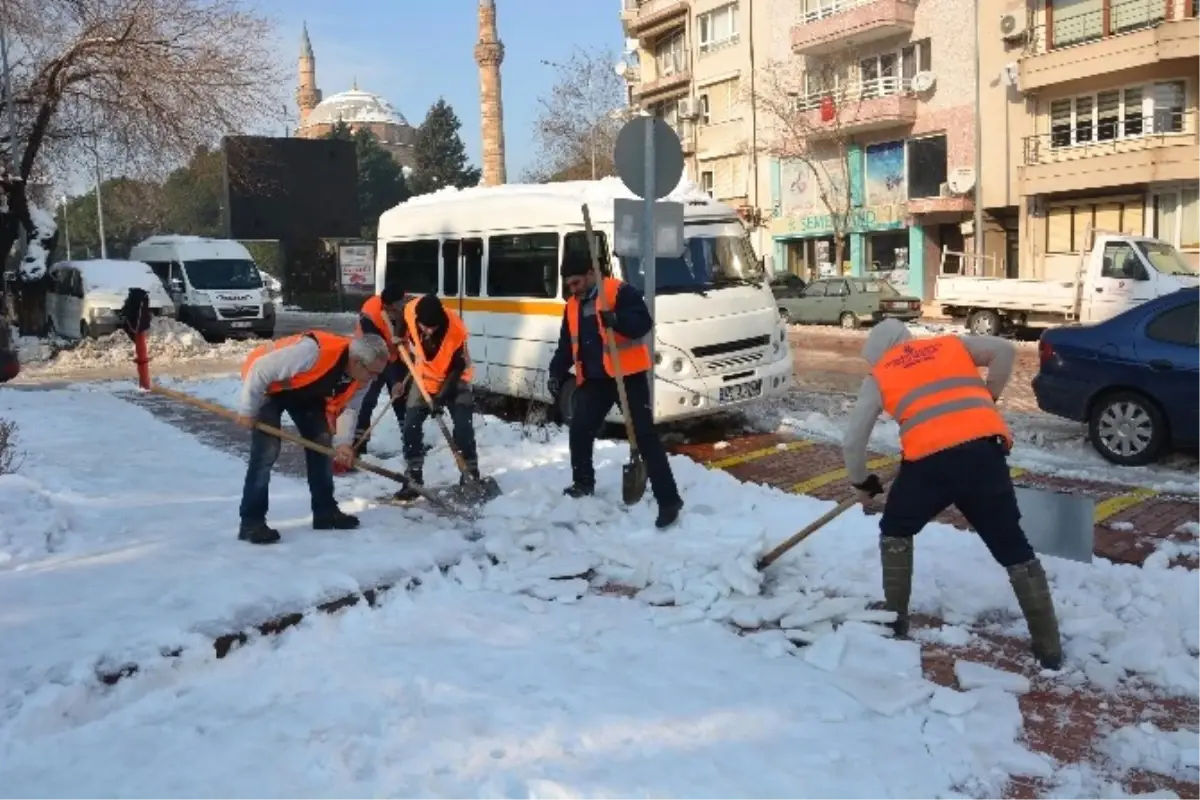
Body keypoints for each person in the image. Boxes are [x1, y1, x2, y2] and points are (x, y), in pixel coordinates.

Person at [842, 318, 1063, 670]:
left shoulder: (881, 374)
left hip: (929, 467)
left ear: (877, 352)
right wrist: (989, 397)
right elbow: (1005, 351)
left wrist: (861, 483)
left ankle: (895, 619)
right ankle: (1049, 647)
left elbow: (853, 440)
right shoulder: (950, 345)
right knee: (1012, 546)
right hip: (984, 456)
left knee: (896, 529)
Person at [548, 254, 683, 530]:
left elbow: (643, 322)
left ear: (590, 274)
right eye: (569, 285)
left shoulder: (619, 292)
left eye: (576, 282)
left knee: (645, 437)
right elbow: (566, 345)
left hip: (627, 376)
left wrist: (618, 319)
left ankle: (669, 500)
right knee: (580, 430)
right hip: (595, 381)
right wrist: (555, 372)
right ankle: (583, 482)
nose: (572, 289)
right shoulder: (572, 306)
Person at [236, 331, 390, 545]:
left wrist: (343, 444)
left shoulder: (363, 377)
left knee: (322, 442)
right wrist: (247, 411)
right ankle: (251, 522)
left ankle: (325, 512)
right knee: (267, 451)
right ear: (356, 362)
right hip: (267, 385)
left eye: (378, 373)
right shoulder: (312, 352)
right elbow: (260, 369)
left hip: (302, 391)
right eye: (372, 373)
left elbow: (349, 409)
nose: (375, 379)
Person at [392, 294, 479, 501]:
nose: (429, 331)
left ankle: (471, 475)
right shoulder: (412, 309)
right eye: (425, 327)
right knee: (410, 426)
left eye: (434, 328)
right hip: (424, 378)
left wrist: (439, 399)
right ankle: (413, 477)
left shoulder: (456, 330)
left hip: (456, 380)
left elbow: (457, 367)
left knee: (463, 427)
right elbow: (403, 313)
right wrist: (398, 335)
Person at [352, 286, 411, 455]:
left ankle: (411, 441)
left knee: (400, 399)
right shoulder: (370, 314)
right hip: (371, 357)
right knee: (368, 400)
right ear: (386, 305)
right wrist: (395, 378)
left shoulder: (407, 308)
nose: (393, 312)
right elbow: (378, 348)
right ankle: (359, 444)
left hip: (397, 356)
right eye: (390, 310)